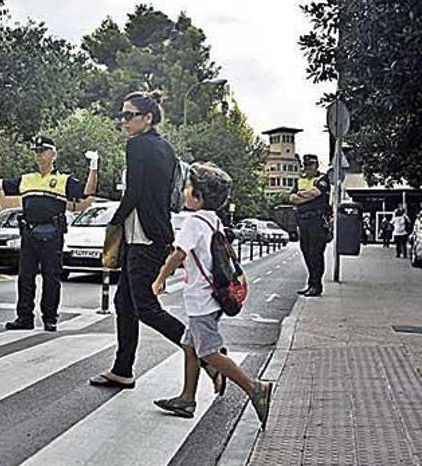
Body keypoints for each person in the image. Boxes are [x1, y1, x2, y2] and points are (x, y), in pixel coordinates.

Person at [88, 90, 224, 392]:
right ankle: (123, 369)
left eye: (128, 115)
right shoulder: (165, 148)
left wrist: (114, 221)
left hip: (144, 238)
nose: (123, 121)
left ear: (147, 118)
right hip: (156, 234)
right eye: (122, 115)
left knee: (146, 307)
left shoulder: (137, 145)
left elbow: (134, 192)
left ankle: (209, 356)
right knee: (124, 303)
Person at [150, 163, 272, 427]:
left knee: (209, 352)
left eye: (188, 188)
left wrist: (160, 279)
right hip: (213, 297)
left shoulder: (194, 222)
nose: (184, 191)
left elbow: (178, 254)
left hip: (201, 300)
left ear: (198, 196)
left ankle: (254, 388)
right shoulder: (213, 219)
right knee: (189, 345)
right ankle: (186, 398)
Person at [0, 137, 99, 331]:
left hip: (52, 235)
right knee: (25, 277)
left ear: (54, 155)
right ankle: (24, 317)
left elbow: (87, 192)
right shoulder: (28, 179)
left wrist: (94, 167)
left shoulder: (63, 180)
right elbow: (4, 184)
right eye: (37, 152)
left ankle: (50, 318)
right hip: (29, 234)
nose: (39, 155)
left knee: (51, 278)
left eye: (43, 151)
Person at [290, 154, 330, 298]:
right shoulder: (301, 180)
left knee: (315, 253)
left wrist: (302, 196)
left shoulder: (322, 179)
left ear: (316, 165)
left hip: (317, 220)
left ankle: (316, 285)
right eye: (306, 166)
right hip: (303, 220)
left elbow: (316, 193)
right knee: (306, 252)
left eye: (310, 165)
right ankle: (311, 283)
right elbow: (292, 198)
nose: (308, 168)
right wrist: (306, 196)